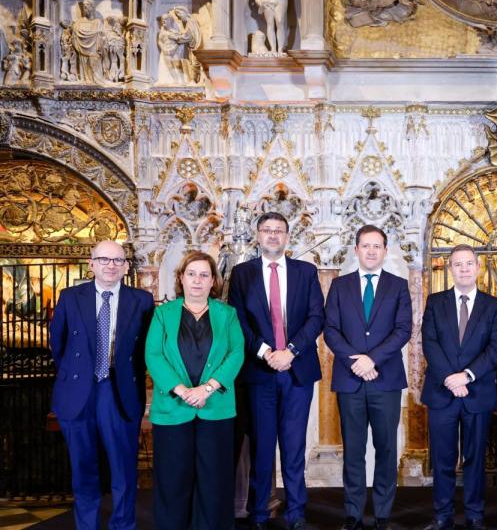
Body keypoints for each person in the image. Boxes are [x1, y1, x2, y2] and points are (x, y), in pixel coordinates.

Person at [229, 212, 325, 530]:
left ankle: (296, 512)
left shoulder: (306, 272)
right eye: (267, 230)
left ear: (287, 236)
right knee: (262, 445)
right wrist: (266, 351)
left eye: (279, 230)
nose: (273, 235)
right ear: (258, 235)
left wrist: (291, 351)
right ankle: (258, 513)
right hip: (260, 371)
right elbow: (238, 320)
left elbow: (316, 317)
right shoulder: (242, 274)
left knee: (294, 446)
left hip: (297, 371)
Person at [49, 240, 154, 530]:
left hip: (118, 390)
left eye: (118, 260)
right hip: (78, 391)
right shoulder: (70, 296)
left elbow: (147, 348)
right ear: (91, 263)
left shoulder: (142, 300)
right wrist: (77, 374)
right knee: (83, 468)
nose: (111, 265)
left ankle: (123, 525)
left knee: (123, 468)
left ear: (126, 266)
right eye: (104, 259)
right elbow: (57, 344)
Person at [145, 251, 244, 530]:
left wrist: (207, 389)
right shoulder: (163, 314)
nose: (197, 280)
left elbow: (236, 353)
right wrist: (182, 390)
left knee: (215, 481)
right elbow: (153, 355)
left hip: (216, 409)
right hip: (173, 410)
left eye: (204, 275)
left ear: (213, 281)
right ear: (181, 278)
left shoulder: (228, 314)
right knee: (172, 480)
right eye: (191, 274)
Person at [324, 224, 412, 530]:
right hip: (350, 380)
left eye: (377, 246)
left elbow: (403, 329)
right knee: (354, 448)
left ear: (385, 251)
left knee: (386, 448)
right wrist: (355, 361)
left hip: (385, 379)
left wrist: (372, 359)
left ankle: (383, 513)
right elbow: (331, 330)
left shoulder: (399, 286)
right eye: (366, 245)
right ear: (356, 250)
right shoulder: (340, 285)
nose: (372, 251)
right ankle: (353, 512)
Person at [420, 245, 497, 530]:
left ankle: (474, 514)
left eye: (469, 264)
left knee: (475, 458)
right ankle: (443, 514)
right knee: (443, 460)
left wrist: (466, 376)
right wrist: (450, 378)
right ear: (450, 268)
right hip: (442, 393)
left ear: (478, 267)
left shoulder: (494, 306)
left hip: (477, 393)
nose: (464, 269)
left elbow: (495, 350)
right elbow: (429, 343)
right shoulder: (435, 301)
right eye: (459, 264)